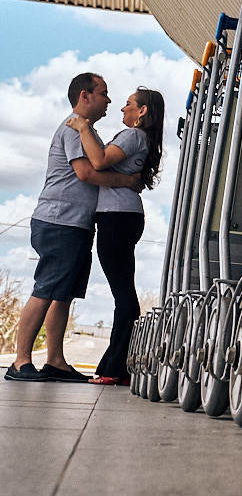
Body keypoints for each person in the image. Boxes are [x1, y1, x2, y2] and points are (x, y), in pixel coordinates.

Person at [5, 73, 141, 383]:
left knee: (63, 294)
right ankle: (20, 361)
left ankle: (55, 361)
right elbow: (85, 173)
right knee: (46, 289)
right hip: (59, 221)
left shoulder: (87, 130)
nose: (109, 100)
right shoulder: (74, 127)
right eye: (104, 93)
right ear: (85, 96)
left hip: (76, 224)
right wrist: (127, 181)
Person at [66, 87, 164, 386]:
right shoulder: (140, 138)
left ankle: (114, 368)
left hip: (117, 218)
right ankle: (115, 365)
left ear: (142, 111)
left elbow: (98, 162)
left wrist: (83, 126)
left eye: (128, 104)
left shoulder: (133, 136)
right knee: (124, 294)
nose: (122, 108)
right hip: (123, 216)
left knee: (124, 296)